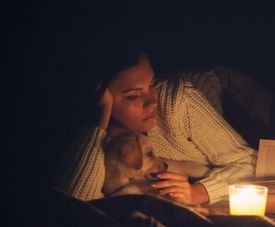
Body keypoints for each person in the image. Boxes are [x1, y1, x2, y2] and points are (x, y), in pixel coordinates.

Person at [54, 51, 257, 205]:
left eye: (151, 84)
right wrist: (98, 122)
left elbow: (248, 162)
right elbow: (73, 207)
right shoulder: (90, 135)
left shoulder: (175, 102)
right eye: (134, 96)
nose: (152, 101)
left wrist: (199, 192)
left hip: (223, 83)